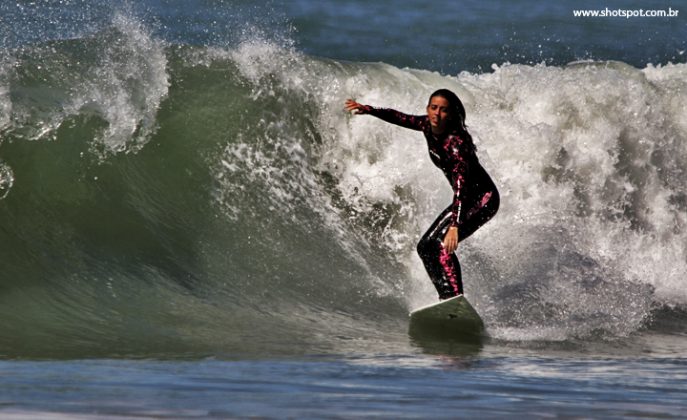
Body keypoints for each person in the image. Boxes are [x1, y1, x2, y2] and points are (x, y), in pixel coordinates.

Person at [345, 89, 499, 300]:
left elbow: (462, 185)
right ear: (427, 109)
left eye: (443, 110)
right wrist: (369, 110)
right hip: (464, 201)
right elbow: (399, 117)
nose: (437, 114)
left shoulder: (456, 144)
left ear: (451, 115)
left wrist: (455, 225)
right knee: (425, 247)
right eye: (433, 108)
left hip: (483, 199)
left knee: (442, 246)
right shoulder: (427, 125)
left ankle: (454, 298)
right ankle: (446, 298)